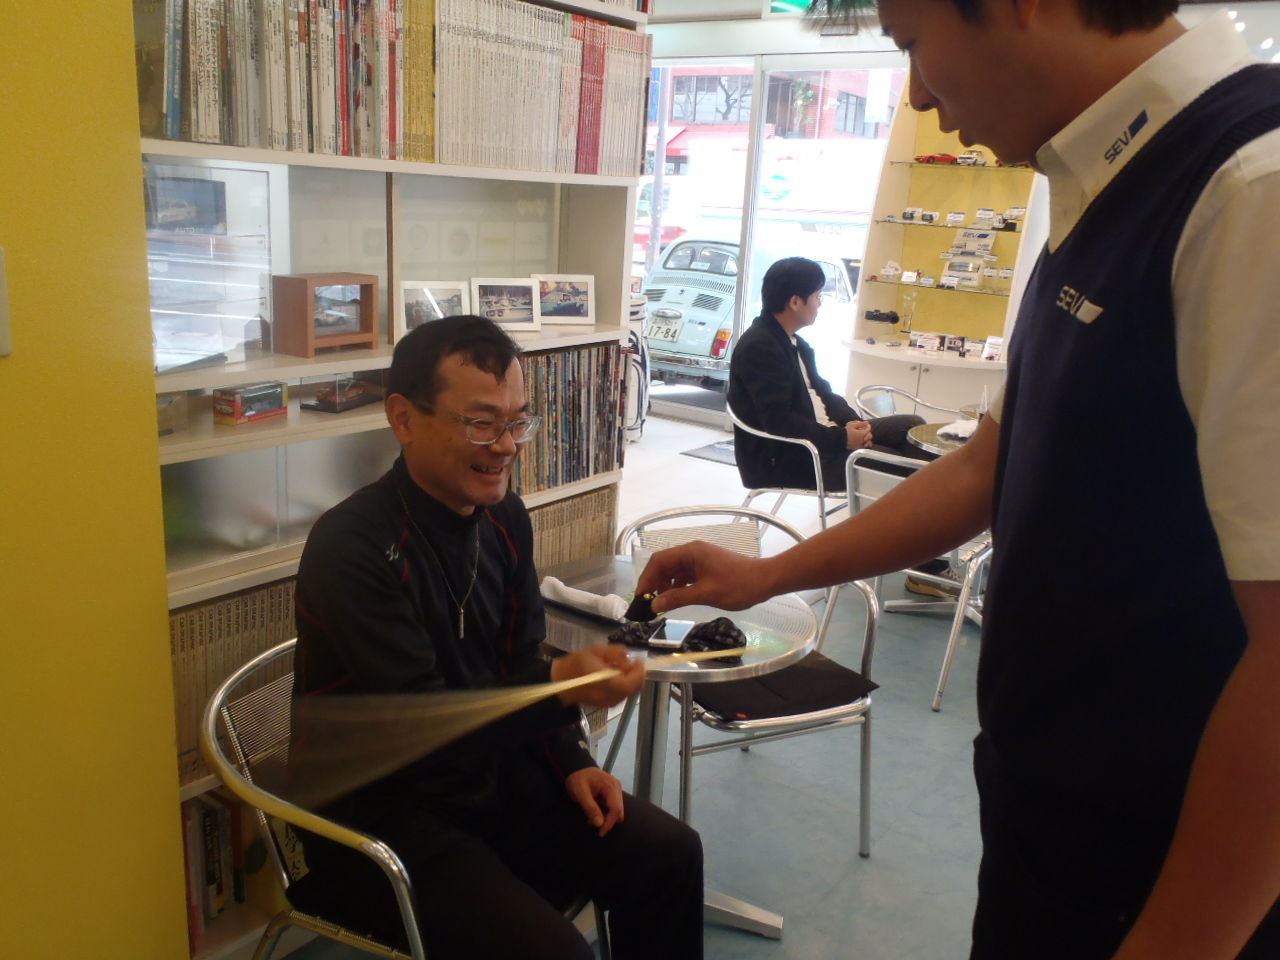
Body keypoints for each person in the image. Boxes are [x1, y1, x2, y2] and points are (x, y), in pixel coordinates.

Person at [640, 3, 1280, 959]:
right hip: (1051, 819)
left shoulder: (1249, 187)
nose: (917, 96)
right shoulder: (1104, 185)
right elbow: (989, 461)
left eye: (910, 43)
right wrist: (767, 574)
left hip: (1157, 867)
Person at [289, 315, 703, 959]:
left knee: (669, 853)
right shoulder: (352, 545)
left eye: (518, 422)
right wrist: (564, 688)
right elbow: (424, 724)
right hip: (380, 814)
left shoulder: (504, 516)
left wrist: (570, 758)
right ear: (404, 419)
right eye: (481, 424)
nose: (507, 446)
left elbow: (519, 660)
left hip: (488, 776)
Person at [728, 255, 931, 495]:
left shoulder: (794, 342)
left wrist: (855, 426)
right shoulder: (760, 347)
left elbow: (824, 393)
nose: (819, 304)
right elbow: (779, 421)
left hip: (822, 438)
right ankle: (916, 505)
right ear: (795, 302)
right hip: (792, 458)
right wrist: (842, 438)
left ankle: (916, 500)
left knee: (912, 428)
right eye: (817, 297)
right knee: (897, 461)